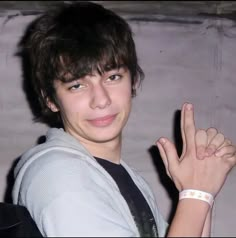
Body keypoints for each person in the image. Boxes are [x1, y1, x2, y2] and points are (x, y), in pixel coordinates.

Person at [12, 1, 236, 237]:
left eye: (113, 76)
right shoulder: (58, 173)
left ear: (134, 81)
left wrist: (201, 186)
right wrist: (196, 193)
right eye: (77, 85)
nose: (101, 99)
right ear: (51, 100)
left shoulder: (124, 177)